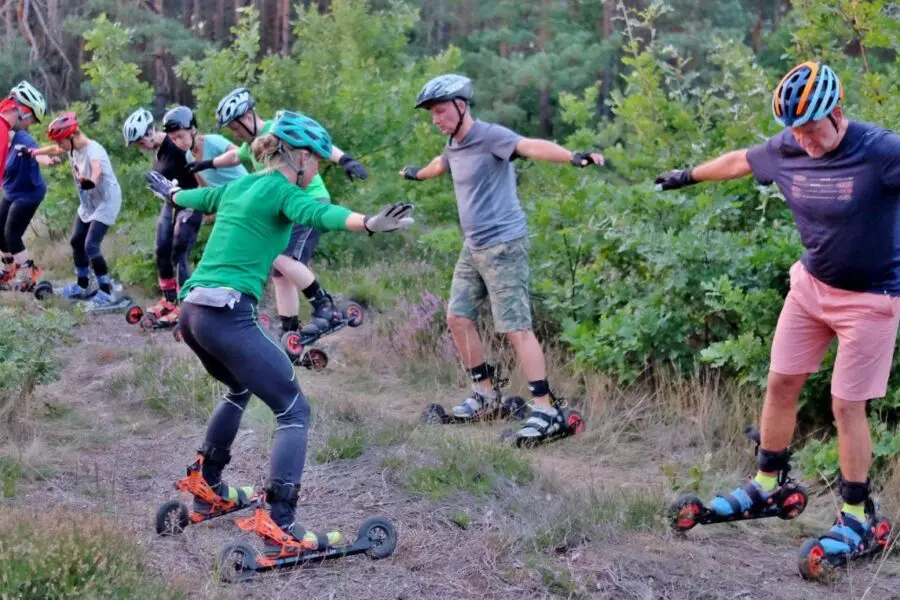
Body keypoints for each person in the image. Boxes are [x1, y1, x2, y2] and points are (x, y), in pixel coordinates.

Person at [654, 61, 900, 563]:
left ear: (837, 112)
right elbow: (740, 161)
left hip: (870, 300)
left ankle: (857, 515)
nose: (804, 142)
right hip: (810, 288)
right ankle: (769, 483)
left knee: (847, 407)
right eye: (796, 132)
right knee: (780, 383)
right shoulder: (788, 145)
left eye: (812, 130)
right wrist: (686, 176)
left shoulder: (881, 152)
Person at [145, 110, 413, 546]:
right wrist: (366, 222)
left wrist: (172, 195)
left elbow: (194, 201)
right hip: (227, 313)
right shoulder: (284, 192)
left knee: (239, 388)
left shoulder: (242, 185)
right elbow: (319, 214)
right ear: (302, 157)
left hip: (192, 313)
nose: (319, 169)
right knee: (295, 411)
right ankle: (280, 523)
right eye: (319, 162)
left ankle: (208, 486)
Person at [400, 74, 604, 444]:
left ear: (462, 107)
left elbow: (530, 146)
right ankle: (485, 395)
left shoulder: (490, 137)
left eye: (441, 111)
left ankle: (545, 409)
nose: (436, 119)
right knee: (457, 317)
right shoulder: (453, 144)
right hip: (473, 246)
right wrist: (416, 174)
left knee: (515, 327)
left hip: (504, 245)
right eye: (432, 113)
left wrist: (573, 157)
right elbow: (440, 163)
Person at [191, 87, 367, 337]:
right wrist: (206, 163)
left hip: (308, 201)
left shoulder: (277, 128)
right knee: (278, 271)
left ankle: (325, 306)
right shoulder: (252, 143)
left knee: (285, 260)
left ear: (249, 116)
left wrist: (345, 160)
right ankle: (290, 331)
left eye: (235, 126)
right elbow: (234, 157)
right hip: (285, 207)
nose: (235, 133)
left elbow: (315, 141)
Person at [123, 106, 201, 327]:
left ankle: (185, 305)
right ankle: (169, 300)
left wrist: (208, 202)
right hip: (171, 203)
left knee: (179, 252)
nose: (141, 147)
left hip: (190, 201)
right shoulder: (158, 151)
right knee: (161, 249)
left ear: (149, 133)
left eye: (140, 142)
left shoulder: (175, 145)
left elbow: (198, 168)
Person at [36, 112, 124, 308]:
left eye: (61, 141)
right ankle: (83, 285)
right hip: (89, 203)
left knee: (91, 245)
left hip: (107, 201)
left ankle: (106, 292)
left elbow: (96, 167)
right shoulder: (72, 148)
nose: (59, 146)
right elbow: (54, 150)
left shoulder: (94, 150)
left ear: (72, 136)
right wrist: (35, 152)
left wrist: (91, 180)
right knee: (77, 241)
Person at [0, 82, 55, 290]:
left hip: (28, 193)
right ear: (22, 111)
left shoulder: (23, 138)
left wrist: (48, 160)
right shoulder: (4, 131)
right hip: (11, 190)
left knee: (11, 234)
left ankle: (29, 275)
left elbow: (36, 153)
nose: (29, 124)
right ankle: (8, 272)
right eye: (31, 118)